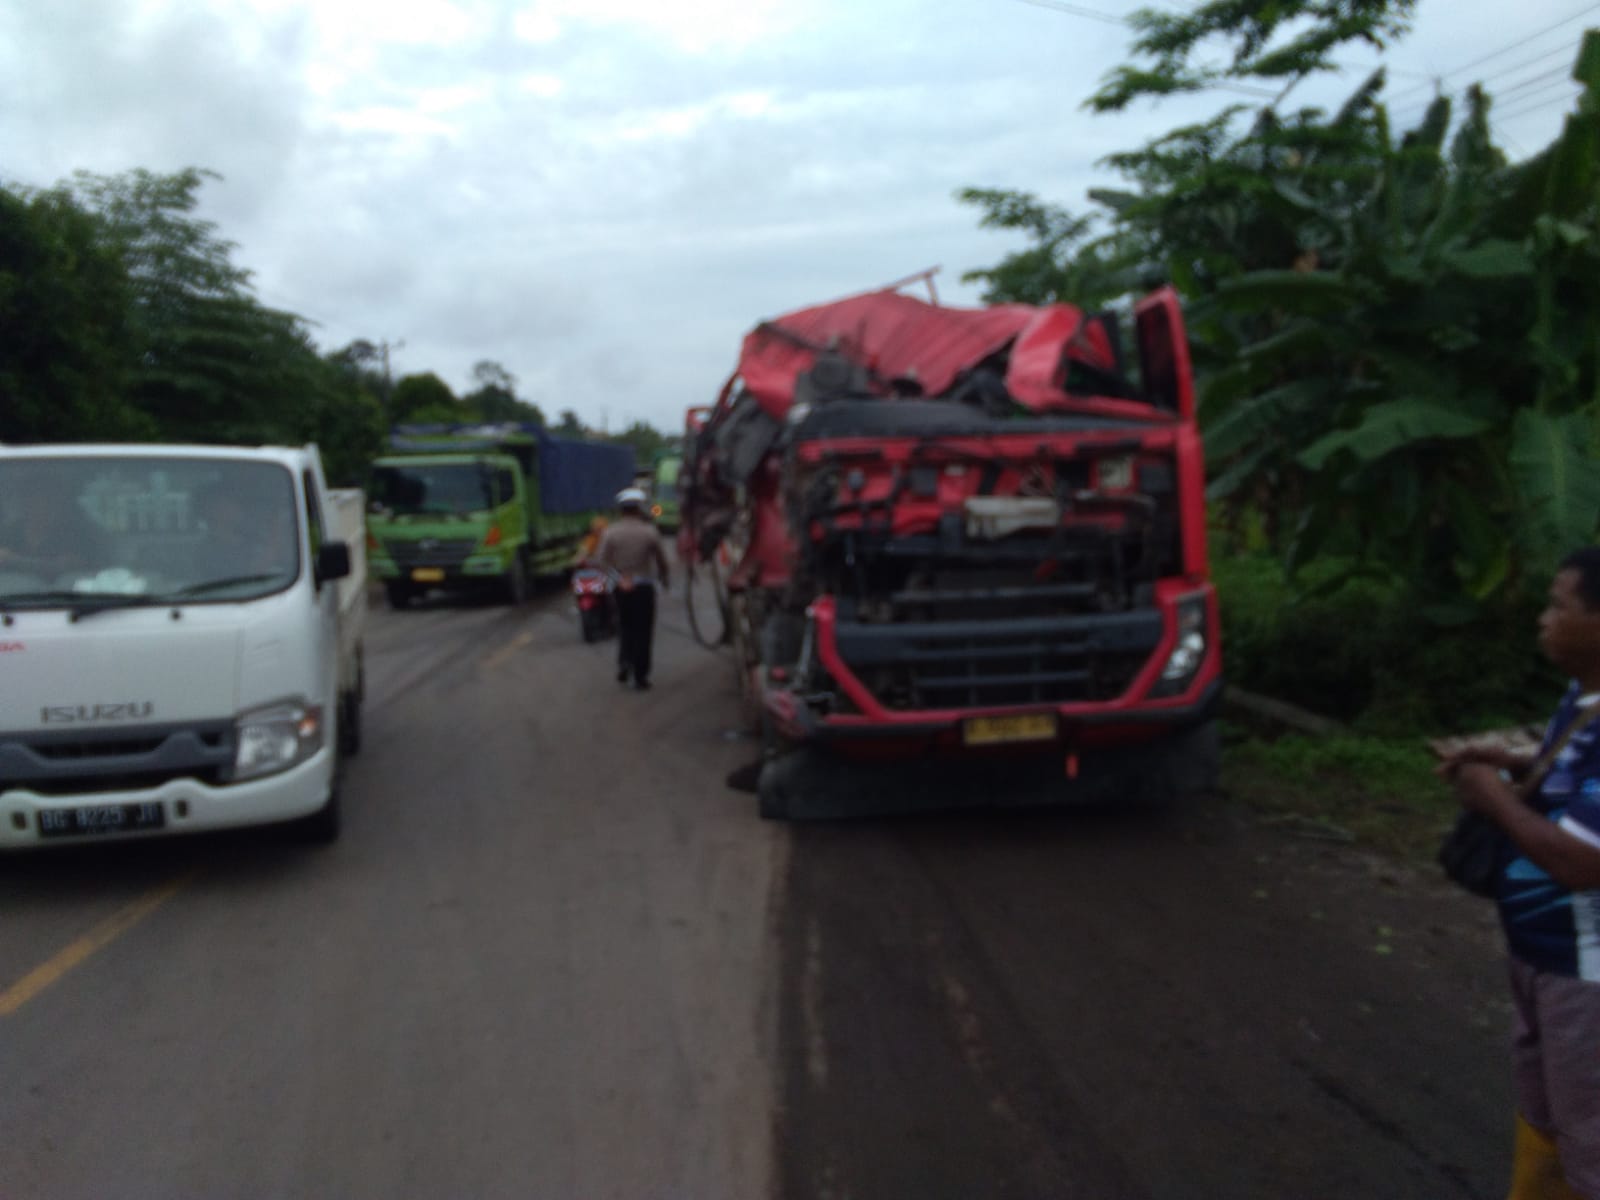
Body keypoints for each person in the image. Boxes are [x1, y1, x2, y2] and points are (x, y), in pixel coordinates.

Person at [1438, 547, 1600, 1199]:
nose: (1543, 619)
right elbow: (1564, 775)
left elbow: (1582, 861)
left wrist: (1490, 793)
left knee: (1589, 1137)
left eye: (1559, 606)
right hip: (1542, 957)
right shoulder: (1582, 699)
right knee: (1548, 1119)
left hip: (1585, 975)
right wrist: (1506, 760)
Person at [594, 487, 671, 690]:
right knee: (643, 631)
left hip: (621, 588)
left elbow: (601, 562)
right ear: (638, 509)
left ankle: (624, 663)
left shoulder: (611, 533)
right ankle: (640, 676)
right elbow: (662, 561)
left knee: (625, 627)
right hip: (644, 588)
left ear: (621, 510)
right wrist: (664, 578)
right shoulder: (649, 532)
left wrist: (618, 580)